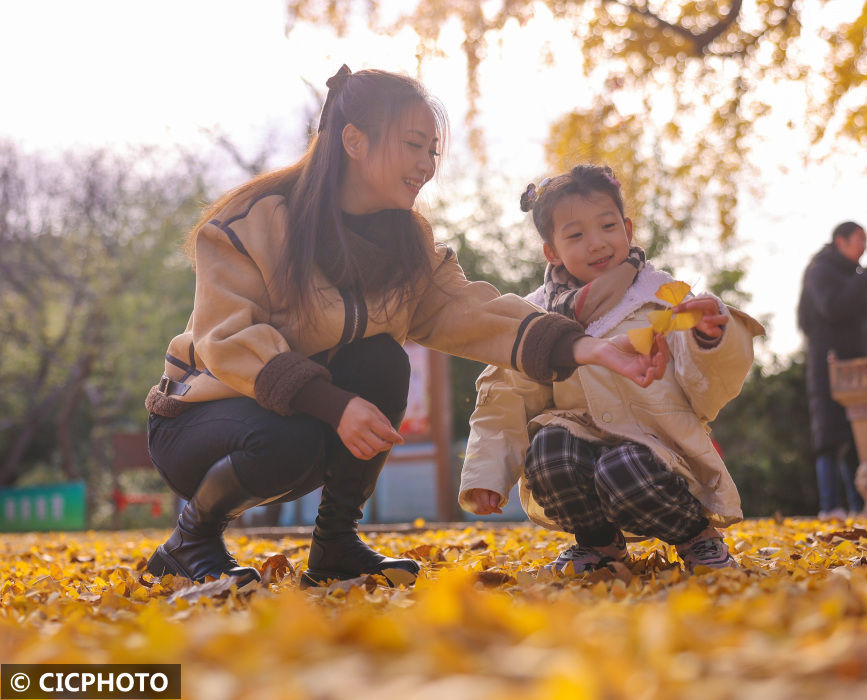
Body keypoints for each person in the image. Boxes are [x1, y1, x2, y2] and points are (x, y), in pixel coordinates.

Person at [143, 68, 665, 588]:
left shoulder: (407, 244)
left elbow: (473, 309)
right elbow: (225, 339)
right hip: (197, 420)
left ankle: (335, 544)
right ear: (354, 140)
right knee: (294, 435)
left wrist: (588, 347)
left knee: (382, 361)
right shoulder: (253, 222)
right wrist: (332, 403)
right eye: (415, 146)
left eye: (432, 152)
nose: (426, 165)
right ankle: (192, 538)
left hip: (297, 427)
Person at [458, 165, 765, 574]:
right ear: (552, 251)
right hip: (579, 449)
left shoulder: (661, 297)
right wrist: (486, 472)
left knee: (621, 467)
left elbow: (707, 382)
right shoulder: (536, 316)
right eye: (576, 235)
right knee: (549, 450)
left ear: (627, 228)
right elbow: (505, 395)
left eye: (607, 226)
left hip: (659, 450)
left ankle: (696, 537)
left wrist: (709, 337)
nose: (597, 243)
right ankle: (599, 544)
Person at [797, 221, 867, 519]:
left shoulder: (852, 275)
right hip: (829, 363)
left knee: (858, 434)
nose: (864, 247)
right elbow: (833, 307)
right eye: (859, 240)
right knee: (830, 435)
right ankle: (830, 506)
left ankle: (861, 504)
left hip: (858, 362)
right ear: (840, 241)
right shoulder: (820, 270)